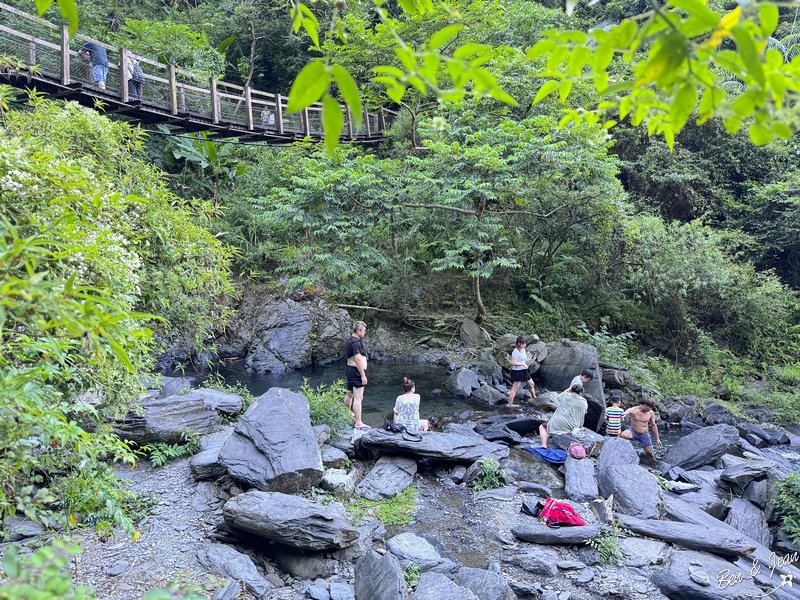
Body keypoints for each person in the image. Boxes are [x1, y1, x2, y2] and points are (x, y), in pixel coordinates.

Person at [539, 384, 587, 448]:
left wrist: (568, 390)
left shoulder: (565, 396)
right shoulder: (584, 402)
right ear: (580, 393)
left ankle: (544, 446)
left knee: (542, 427)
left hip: (560, 423)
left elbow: (558, 397)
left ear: (571, 390)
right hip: (574, 426)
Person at [343, 321, 369, 429]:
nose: (364, 333)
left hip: (350, 369)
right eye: (363, 331)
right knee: (359, 397)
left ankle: (346, 413)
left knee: (349, 394)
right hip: (355, 370)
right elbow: (358, 360)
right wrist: (363, 375)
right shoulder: (356, 343)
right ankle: (358, 422)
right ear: (358, 331)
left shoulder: (350, 340)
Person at [509, 336, 537, 406]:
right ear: (519, 343)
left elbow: (522, 359)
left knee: (531, 384)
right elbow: (513, 363)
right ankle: (510, 404)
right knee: (515, 388)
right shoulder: (515, 351)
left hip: (524, 371)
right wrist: (523, 365)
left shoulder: (523, 350)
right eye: (523, 344)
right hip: (517, 371)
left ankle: (535, 398)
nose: (525, 345)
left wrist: (529, 360)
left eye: (525, 344)